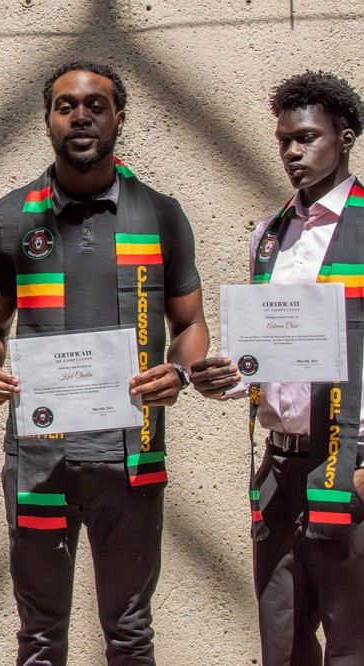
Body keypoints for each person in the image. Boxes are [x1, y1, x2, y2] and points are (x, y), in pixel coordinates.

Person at [0, 62, 209, 665]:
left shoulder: (160, 214)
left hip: (132, 459)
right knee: (40, 637)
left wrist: (176, 373)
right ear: (48, 118)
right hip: (39, 458)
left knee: (129, 632)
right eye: (65, 105)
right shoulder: (8, 217)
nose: (80, 115)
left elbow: (192, 327)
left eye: (96, 105)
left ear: (118, 117)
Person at [191, 71, 364, 665]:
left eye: (308, 137)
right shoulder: (270, 233)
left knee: (352, 643)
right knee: (283, 642)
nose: (292, 152)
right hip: (280, 466)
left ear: (345, 137)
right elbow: (267, 353)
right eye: (284, 140)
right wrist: (227, 377)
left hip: (351, 463)